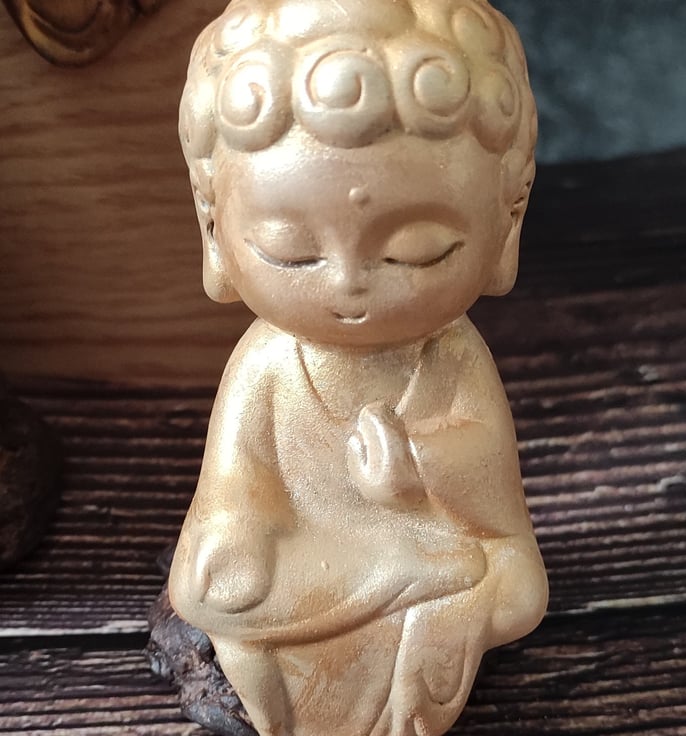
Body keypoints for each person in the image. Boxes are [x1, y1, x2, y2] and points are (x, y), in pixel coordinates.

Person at [169, 2, 548, 734]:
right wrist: (238, 534)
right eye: (291, 250)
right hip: (323, 563)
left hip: (435, 547)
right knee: (207, 588)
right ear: (214, 228)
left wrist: (420, 467)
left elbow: (497, 512)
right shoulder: (266, 363)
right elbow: (235, 493)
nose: (347, 284)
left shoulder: (454, 357)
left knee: (516, 590)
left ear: (507, 224)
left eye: (415, 251)